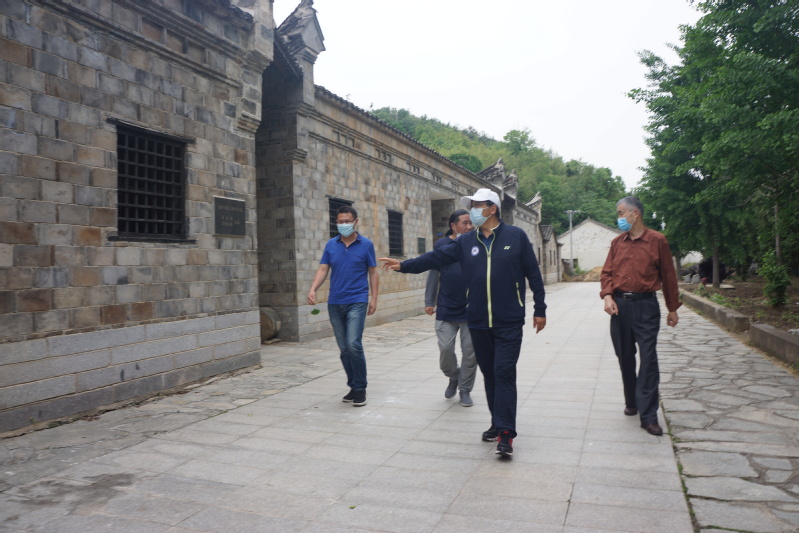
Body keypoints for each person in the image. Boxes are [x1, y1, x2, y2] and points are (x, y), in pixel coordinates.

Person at [380, 189, 546, 458]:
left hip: (508, 321)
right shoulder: (467, 241)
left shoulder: (516, 237)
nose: (474, 212)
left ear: (492, 208)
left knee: (504, 372)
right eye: (473, 206)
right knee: (490, 374)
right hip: (478, 320)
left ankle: (506, 432)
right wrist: (404, 265)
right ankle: (497, 423)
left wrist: (540, 308)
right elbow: (436, 258)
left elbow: (533, 274)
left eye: (478, 206)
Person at [600, 196, 680, 436]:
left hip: (646, 307)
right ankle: (632, 402)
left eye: (621, 213)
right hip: (620, 307)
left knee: (648, 359)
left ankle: (649, 416)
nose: (619, 218)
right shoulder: (617, 243)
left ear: (635, 214)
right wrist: (608, 296)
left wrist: (672, 308)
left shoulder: (657, 241)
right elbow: (607, 273)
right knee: (625, 356)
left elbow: (668, 275)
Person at [308, 206, 378, 407]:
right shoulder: (331, 245)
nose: (343, 224)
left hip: (357, 300)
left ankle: (361, 387)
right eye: (340, 222)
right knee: (344, 348)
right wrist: (313, 289)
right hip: (335, 302)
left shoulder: (366, 245)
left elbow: (373, 272)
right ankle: (353, 385)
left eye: (347, 221)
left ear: (356, 222)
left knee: (353, 343)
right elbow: (323, 269)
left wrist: (374, 298)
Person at [425, 209, 476, 407]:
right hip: (446, 307)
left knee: (470, 353)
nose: (469, 226)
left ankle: (465, 389)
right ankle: (454, 376)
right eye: (465, 223)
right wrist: (429, 301)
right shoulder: (442, 245)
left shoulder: (477, 244)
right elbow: (433, 272)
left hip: (471, 309)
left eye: (471, 223)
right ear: (453, 226)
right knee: (446, 349)